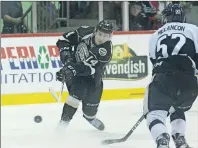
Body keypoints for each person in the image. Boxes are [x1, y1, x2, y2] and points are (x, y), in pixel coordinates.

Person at [143, 2, 198, 148]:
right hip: (190, 83)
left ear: (167, 18)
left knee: (155, 114)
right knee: (176, 107)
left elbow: (156, 63)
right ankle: (179, 139)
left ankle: (162, 140)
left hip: (164, 78)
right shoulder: (194, 29)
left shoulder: (156, 34)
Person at [56, 20, 113, 131]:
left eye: (105, 36)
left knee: (89, 112)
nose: (101, 38)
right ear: (95, 31)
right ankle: (62, 124)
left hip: (93, 78)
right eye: (100, 34)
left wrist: (69, 69)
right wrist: (67, 58)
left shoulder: (105, 51)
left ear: (110, 36)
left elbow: (88, 69)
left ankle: (90, 118)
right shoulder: (84, 31)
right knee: (77, 93)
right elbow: (63, 40)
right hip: (77, 75)